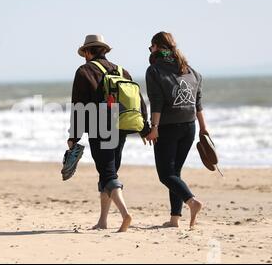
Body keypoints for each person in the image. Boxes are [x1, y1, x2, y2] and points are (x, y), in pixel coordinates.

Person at [68, 34, 149, 232]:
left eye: (84, 53)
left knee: (108, 173)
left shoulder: (84, 71)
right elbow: (138, 100)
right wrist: (144, 128)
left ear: (88, 52)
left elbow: (78, 106)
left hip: (100, 125)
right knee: (107, 172)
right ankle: (103, 221)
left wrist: (74, 136)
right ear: (104, 50)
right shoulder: (122, 71)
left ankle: (125, 214)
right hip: (122, 124)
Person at [145, 31, 206, 229]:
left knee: (165, 174)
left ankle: (192, 202)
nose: (150, 50)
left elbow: (157, 101)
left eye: (151, 47)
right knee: (175, 173)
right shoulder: (190, 70)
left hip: (168, 128)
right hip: (190, 127)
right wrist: (204, 129)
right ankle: (174, 219)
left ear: (156, 47)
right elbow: (197, 103)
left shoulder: (154, 70)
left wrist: (154, 127)